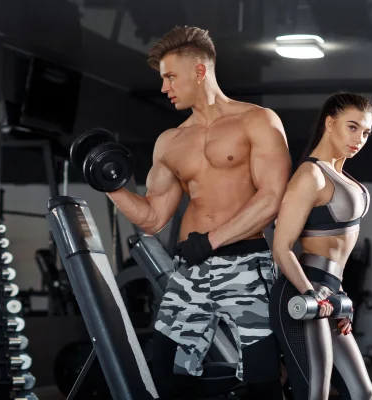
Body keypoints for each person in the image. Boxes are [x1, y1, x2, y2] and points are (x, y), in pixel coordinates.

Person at [101, 25, 291, 398]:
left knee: (262, 377)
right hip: (190, 269)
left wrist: (211, 241)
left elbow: (271, 198)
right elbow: (153, 218)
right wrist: (109, 185)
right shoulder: (170, 142)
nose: (164, 87)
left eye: (171, 76)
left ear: (200, 71)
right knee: (169, 376)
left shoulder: (257, 121)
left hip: (244, 264)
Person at [270, 92, 372, 400]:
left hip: (331, 291)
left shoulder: (343, 176)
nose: (359, 138)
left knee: (362, 392)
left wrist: (339, 296)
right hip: (303, 289)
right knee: (315, 394)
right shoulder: (311, 175)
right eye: (352, 127)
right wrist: (309, 292)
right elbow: (281, 247)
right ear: (330, 123)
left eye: (366, 132)